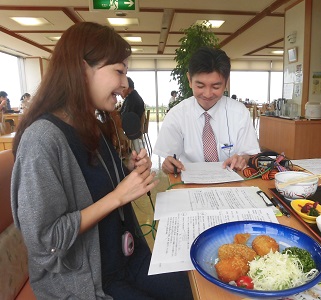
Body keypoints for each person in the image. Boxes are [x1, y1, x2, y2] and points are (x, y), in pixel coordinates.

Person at [11, 22, 193, 300]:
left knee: (194, 288)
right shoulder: (42, 140)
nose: (124, 84)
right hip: (88, 282)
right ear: (83, 70)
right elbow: (45, 241)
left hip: (126, 260)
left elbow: (95, 184)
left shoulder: (92, 124)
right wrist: (119, 196)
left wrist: (127, 172)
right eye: (119, 71)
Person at [154, 46, 260, 175]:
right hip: (190, 183)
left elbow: (249, 153)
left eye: (216, 86)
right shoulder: (177, 115)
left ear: (226, 82)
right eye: (200, 86)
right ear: (189, 80)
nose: (208, 94)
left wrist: (242, 159)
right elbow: (168, 161)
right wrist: (168, 166)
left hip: (231, 182)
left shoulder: (239, 112)